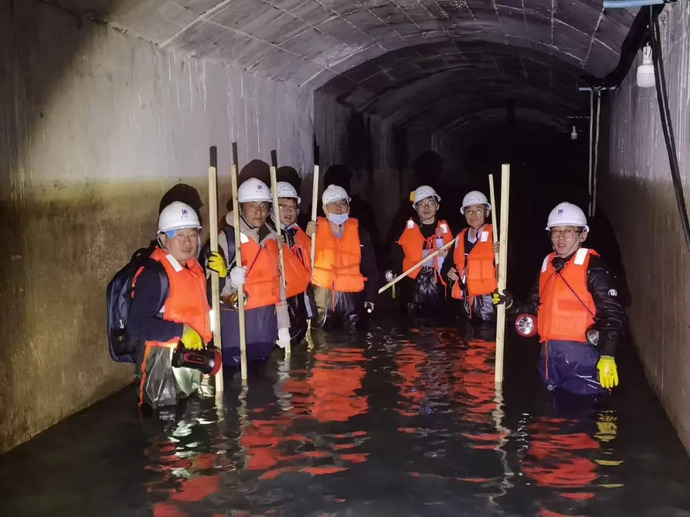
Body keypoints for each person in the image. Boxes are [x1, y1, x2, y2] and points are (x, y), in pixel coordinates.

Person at [494, 202, 626, 396]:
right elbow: (533, 308)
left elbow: (613, 315)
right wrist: (510, 305)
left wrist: (607, 355)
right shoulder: (547, 265)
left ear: (582, 235)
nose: (561, 238)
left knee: (584, 411)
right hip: (549, 359)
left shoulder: (595, 268)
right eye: (556, 232)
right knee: (549, 410)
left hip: (584, 359)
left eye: (569, 231)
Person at [128, 202, 226, 409]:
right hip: (163, 365)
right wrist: (181, 331)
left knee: (190, 414)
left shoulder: (194, 268)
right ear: (164, 239)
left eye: (192, 234)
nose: (187, 242)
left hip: (192, 359)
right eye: (179, 235)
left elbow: (200, 306)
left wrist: (222, 278)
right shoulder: (155, 276)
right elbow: (136, 325)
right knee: (165, 421)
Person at [210, 178, 291, 368]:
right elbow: (209, 290)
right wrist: (230, 281)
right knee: (236, 378)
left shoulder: (273, 239)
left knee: (265, 379)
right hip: (235, 327)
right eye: (252, 205)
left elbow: (278, 285)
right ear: (240, 208)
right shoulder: (226, 240)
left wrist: (283, 325)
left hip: (265, 326)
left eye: (263, 205)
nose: (259, 211)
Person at [308, 184, 379, 332]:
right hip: (322, 301)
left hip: (352, 301)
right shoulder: (313, 233)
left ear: (349, 207)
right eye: (333, 205)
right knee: (322, 342)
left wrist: (371, 297)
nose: (338, 208)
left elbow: (371, 269)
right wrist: (306, 236)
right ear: (325, 209)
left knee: (354, 342)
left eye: (342, 204)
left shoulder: (361, 234)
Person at [387, 185, 454, 318]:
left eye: (431, 203)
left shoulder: (447, 231)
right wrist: (391, 273)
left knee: (440, 327)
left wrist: (449, 257)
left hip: (440, 289)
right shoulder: (406, 231)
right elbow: (395, 258)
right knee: (412, 327)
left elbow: (458, 257)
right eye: (421, 204)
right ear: (416, 208)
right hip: (412, 289)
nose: (426, 207)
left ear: (437, 206)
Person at [270, 181, 316, 345]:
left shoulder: (298, 233)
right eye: (283, 206)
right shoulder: (267, 234)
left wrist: (311, 238)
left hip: (300, 302)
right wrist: (271, 246)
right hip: (280, 305)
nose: (289, 211)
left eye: (292, 207)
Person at [441, 191, 498, 323]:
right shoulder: (459, 237)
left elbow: (512, 267)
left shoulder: (497, 236)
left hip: (489, 302)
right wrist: (447, 272)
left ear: (487, 212)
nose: (473, 215)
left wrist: (501, 253)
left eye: (478, 210)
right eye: (469, 211)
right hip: (464, 302)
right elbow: (445, 267)